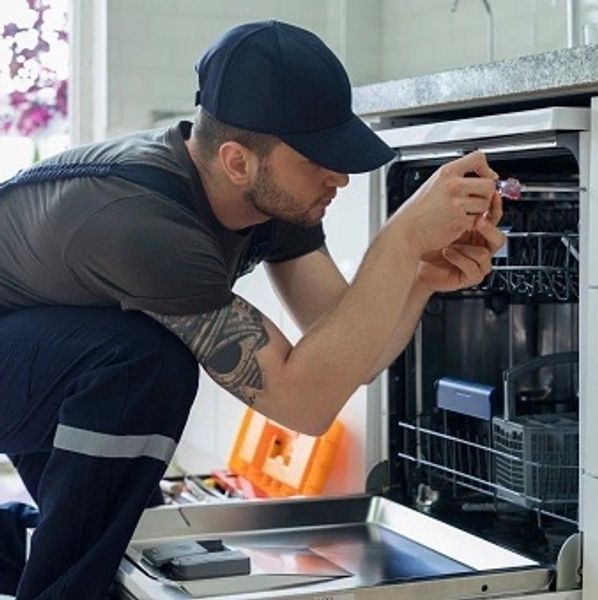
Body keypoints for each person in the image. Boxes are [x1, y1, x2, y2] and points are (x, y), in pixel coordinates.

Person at [0, 20, 504, 600]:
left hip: (42, 345)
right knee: (147, 363)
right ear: (238, 162)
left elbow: (345, 354)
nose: (339, 175)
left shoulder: (266, 199)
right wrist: (397, 241)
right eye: (317, 158)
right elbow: (305, 403)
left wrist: (416, 278)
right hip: (36, 347)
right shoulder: (150, 228)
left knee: (124, 539)